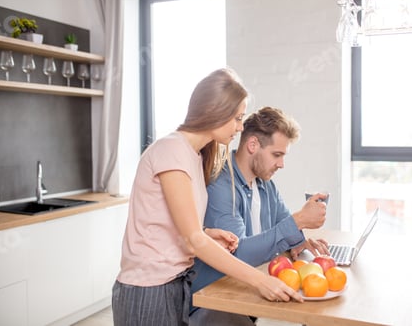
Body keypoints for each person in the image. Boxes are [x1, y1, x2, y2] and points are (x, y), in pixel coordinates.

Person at [112, 69, 303, 326]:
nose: (240, 127)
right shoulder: (172, 150)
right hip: (149, 290)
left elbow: (175, 224)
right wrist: (260, 280)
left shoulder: (196, 156)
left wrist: (207, 232)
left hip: (175, 284)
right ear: (215, 111)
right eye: (237, 118)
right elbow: (193, 242)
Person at [189, 106, 330, 326]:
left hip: (248, 292)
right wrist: (298, 221)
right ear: (253, 145)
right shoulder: (222, 185)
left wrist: (301, 241)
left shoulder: (266, 184)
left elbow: (285, 227)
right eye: (277, 155)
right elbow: (239, 254)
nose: (281, 164)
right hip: (216, 304)